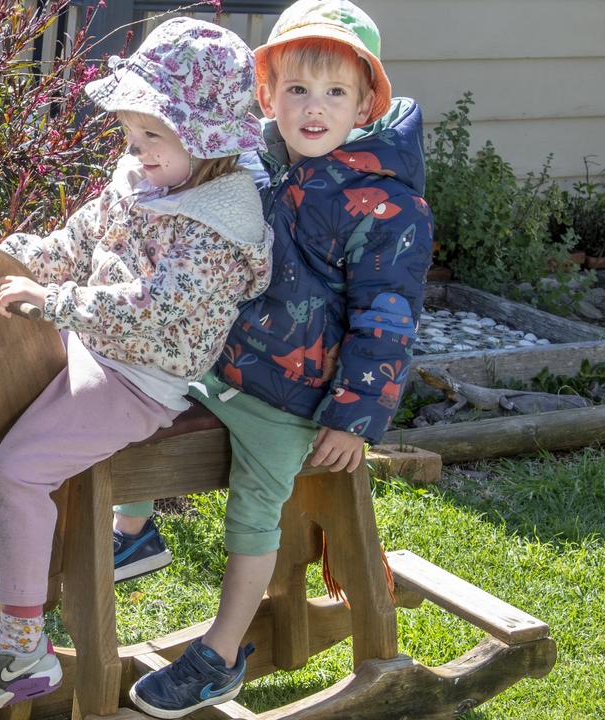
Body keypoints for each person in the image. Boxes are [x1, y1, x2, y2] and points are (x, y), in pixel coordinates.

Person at [0, 18, 272, 718]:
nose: (135, 154)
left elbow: (153, 310)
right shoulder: (141, 181)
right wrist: (1, 263)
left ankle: (22, 648)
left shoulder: (221, 223)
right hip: (89, 348)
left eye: (152, 139)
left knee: (19, 469)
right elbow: (73, 243)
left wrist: (54, 301)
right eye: (131, 137)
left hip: (142, 379)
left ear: (205, 143)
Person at [126, 1, 435, 716]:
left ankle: (221, 652)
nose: (314, 108)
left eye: (335, 92)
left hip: (291, 398)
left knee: (253, 508)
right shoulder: (251, 166)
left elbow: (386, 321)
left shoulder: (387, 208)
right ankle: (133, 532)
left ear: (366, 104)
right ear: (267, 96)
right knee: (132, 400)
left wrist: (354, 419)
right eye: (297, 89)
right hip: (214, 363)